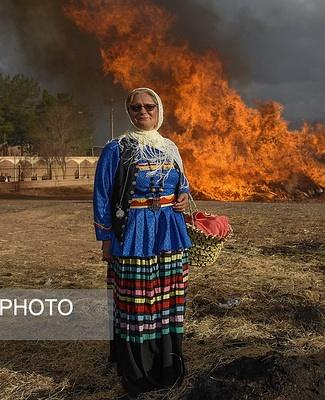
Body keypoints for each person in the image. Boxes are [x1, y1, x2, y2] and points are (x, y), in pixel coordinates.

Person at [93, 87, 192, 398]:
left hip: (168, 229)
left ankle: (167, 362)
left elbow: (184, 185)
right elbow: (102, 196)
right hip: (134, 232)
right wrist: (106, 237)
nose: (143, 112)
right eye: (135, 107)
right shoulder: (117, 148)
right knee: (138, 301)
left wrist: (182, 197)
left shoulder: (171, 148)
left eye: (149, 106)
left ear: (159, 110)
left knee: (167, 298)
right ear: (129, 112)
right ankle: (138, 370)